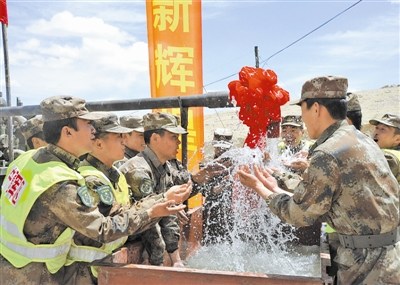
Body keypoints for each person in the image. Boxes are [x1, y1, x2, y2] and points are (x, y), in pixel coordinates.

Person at [0, 96, 190, 285]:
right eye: (87, 124)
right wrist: (151, 212)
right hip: (32, 275)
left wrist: (159, 199)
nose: (93, 129)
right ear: (67, 132)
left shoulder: (29, 159)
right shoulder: (59, 183)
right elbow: (102, 229)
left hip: (13, 265)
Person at [238, 76, 400, 284]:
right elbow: (327, 198)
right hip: (386, 257)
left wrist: (260, 188)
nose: (302, 119)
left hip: (366, 266)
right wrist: (275, 184)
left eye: (302, 111)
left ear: (316, 108)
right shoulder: (358, 139)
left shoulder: (329, 152)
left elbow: (299, 216)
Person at [119, 112, 191, 267]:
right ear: (155, 139)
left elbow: (168, 213)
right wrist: (158, 266)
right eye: (173, 137)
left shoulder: (164, 167)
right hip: (125, 235)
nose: (179, 142)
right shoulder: (138, 170)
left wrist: (176, 259)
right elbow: (149, 221)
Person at [370, 113, 400, 184]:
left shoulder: (389, 157)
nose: (376, 132)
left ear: (397, 139)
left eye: (383, 129)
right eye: (377, 128)